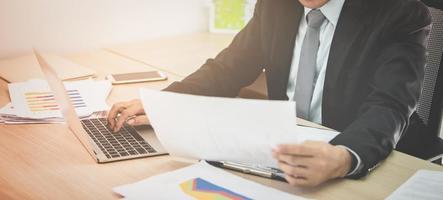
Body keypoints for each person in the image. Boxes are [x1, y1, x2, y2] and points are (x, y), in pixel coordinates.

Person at [107, 0, 431, 187]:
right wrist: (165, 103)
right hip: (287, 158)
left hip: (376, 161)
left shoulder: (398, 12)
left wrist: (344, 156)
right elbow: (228, 68)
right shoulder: (275, 5)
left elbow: (390, 106)